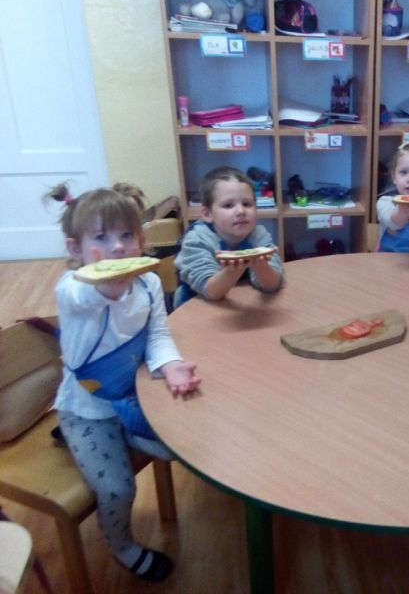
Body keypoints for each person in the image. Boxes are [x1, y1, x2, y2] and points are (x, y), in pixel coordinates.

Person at [47, 182, 201, 582]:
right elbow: (90, 297)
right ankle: (122, 546)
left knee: (176, 449)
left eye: (127, 235)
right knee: (118, 489)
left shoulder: (148, 283)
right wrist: (107, 286)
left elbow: (158, 335)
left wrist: (171, 365)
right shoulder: (73, 288)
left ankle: (105, 437)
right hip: (88, 409)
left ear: (141, 241)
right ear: (76, 248)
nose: (117, 247)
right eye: (101, 238)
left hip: (132, 394)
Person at [174, 166, 284, 307]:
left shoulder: (258, 234)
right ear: (208, 214)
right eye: (228, 205)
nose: (241, 211)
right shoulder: (197, 240)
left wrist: (261, 266)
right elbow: (211, 292)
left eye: (247, 204)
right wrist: (234, 269)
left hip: (241, 303)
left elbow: (272, 285)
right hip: (196, 306)